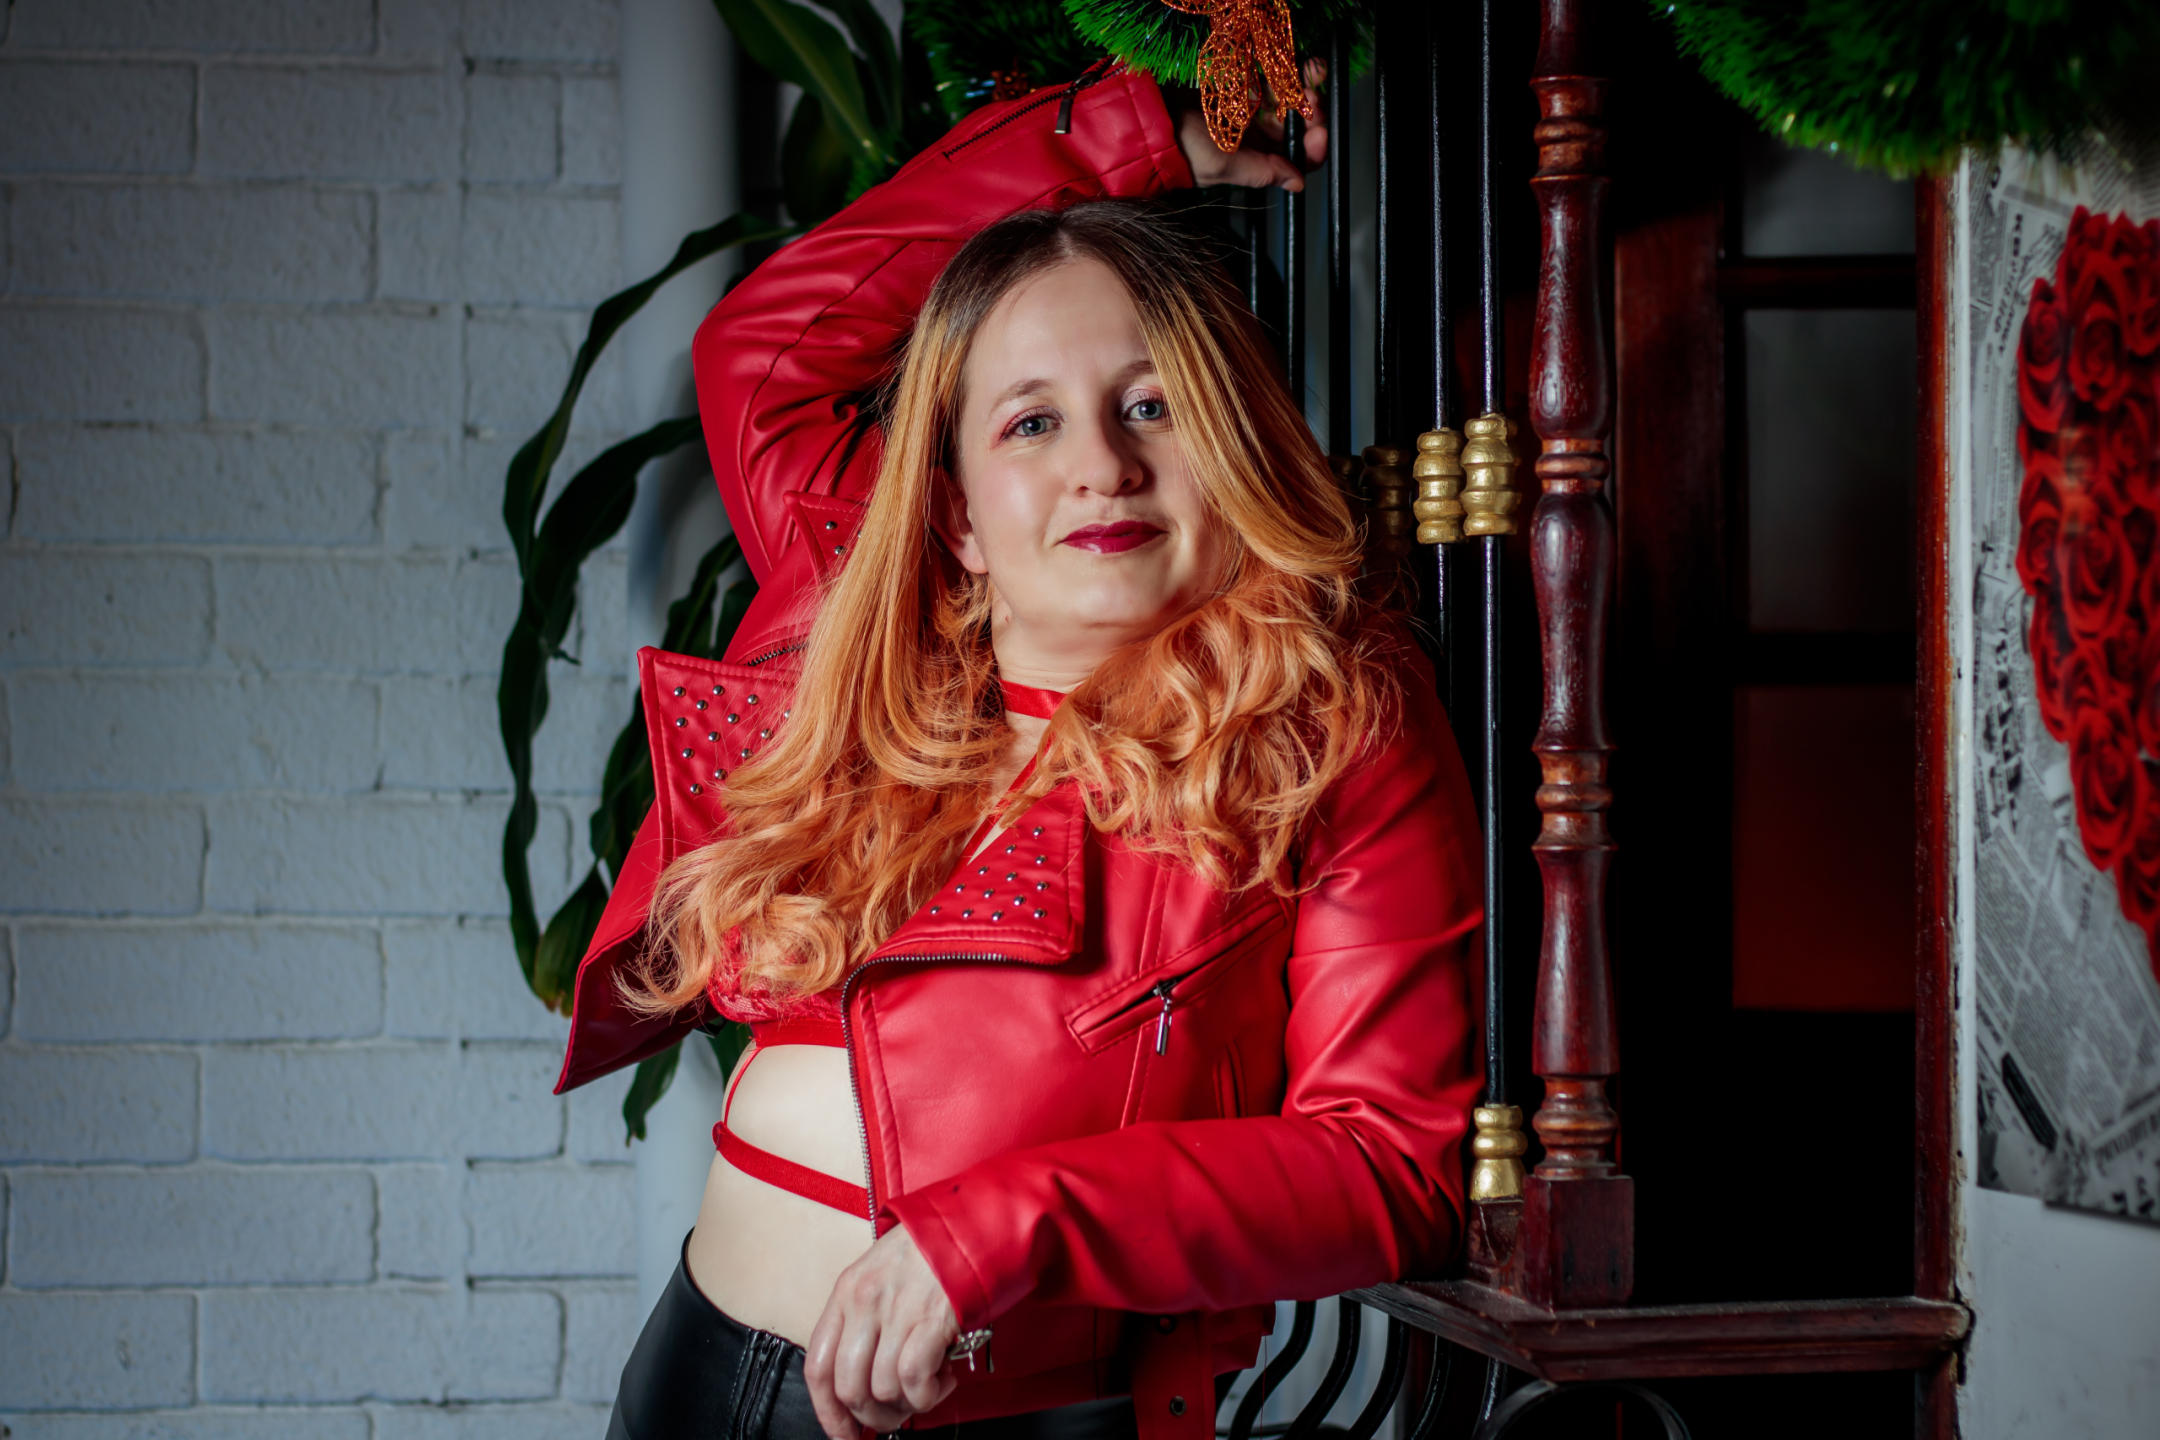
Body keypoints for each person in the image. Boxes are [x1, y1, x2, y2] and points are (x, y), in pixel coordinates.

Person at [551, 54, 1483, 1440]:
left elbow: (1388, 1165)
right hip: (698, 1376)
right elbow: (765, 347)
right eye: (1032, 422)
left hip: (1011, 1413)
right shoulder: (866, 616)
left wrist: (1002, 1228)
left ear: (1230, 445)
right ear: (961, 516)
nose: (1102, 463)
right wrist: (1143, 140)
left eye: (1153, 405)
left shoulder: (1333, 726)